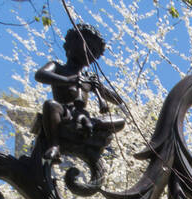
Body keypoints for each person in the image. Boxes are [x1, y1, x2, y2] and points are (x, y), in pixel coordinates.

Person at [34, 24, 125, 162]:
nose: (88, 52)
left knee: (119, 120)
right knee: (50, 105)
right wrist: (68, 80)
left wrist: (99, 87)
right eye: (85, 45)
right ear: (70, 46)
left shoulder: (89, 79)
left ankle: (92, 126)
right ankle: (54, 145)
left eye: (93, 51)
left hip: (84, 116)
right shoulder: (58, 67)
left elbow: (117, 99)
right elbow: (40, 75)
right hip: (65, 112)